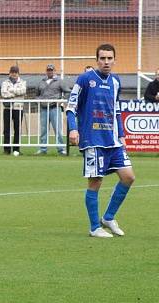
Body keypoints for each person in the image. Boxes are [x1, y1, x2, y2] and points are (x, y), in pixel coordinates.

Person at [67, 43, 135, 238]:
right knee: (95, 182)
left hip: (113, 140)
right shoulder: (86, 79)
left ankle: (108, 217)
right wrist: (73, 129)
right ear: (97, 60)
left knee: (128, 177)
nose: (106, 62)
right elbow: (71, 107)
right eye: (102, 58)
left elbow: (117, 110)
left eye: (109, 58)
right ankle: (95, 227)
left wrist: (121, 134)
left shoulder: (116, 81)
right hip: (93, 139)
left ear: (114, 60)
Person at [35, 64, 69, 155]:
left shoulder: (60, 81)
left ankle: (61, 149)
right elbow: (37, 94)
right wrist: (38, 101)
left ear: (55, 71)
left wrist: (61, 101)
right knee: (43, 130)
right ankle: (43, 149)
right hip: (44, 109)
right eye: (48, 70)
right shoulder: (41, 82)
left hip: (55, 108)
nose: (50, 71)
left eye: (52, 70)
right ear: (46, 71)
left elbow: (67, 92)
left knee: (58, 129)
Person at [1, 66, 26, 156]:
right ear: (9, 73)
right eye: (12, 72)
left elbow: (23, 91)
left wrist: (11, 91)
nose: (14, 74)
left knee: (17, 129)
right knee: (6, 129)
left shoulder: (23, 82)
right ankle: (6, 149)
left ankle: (16, 149)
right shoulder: (5, 82)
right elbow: (4, 93)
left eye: (15, 72)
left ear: (18, 73)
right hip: (7, 108)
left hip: (18, 108)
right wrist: (15, 93)